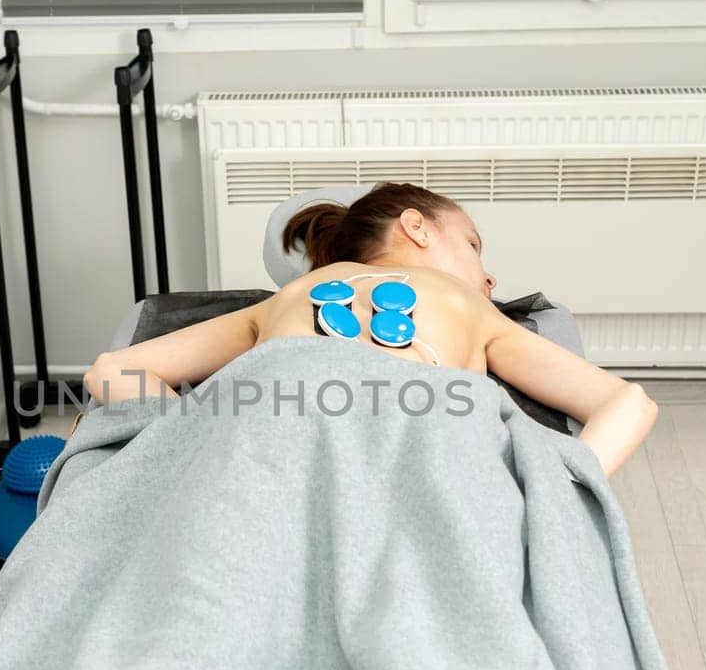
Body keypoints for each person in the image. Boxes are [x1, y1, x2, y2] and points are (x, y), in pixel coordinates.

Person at [84, 182, 656, 476]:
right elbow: (628, 404)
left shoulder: (287, 298)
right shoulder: (469, 308)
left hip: (268, 438)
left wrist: (194, 443)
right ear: (418, 228)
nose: (490, 276)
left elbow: (115, 371)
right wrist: (560, 489)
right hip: (416, 440)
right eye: (474, 246)